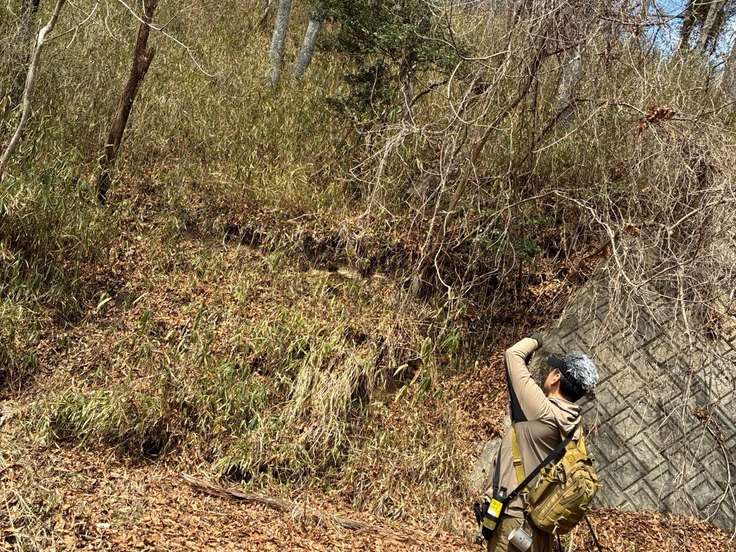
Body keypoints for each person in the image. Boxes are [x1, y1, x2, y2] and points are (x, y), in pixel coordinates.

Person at [484, 333, 599, 552]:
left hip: (514, 522)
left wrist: (538, 338)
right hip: (540, 526)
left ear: (555, 377)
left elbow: (513, 354)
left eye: (552, 370)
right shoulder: (575, 424)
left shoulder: (542, 411)